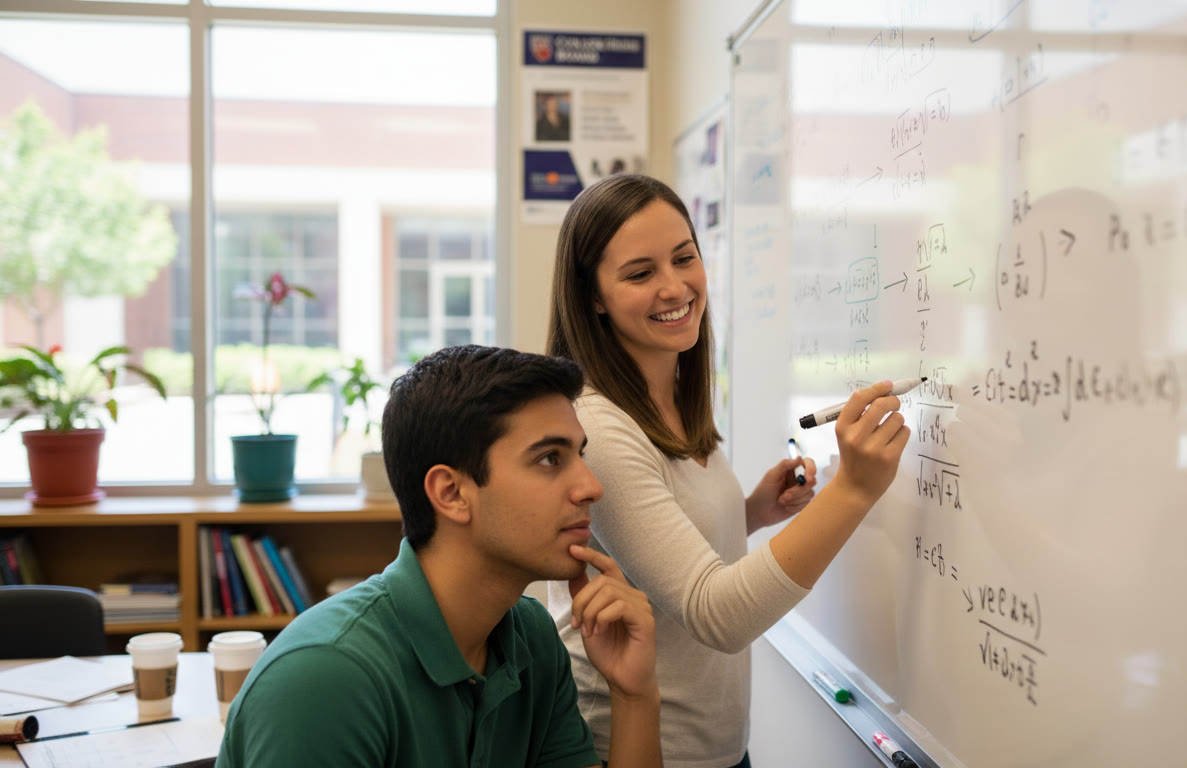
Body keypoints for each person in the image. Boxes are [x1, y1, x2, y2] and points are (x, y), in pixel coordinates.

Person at [546, 173, 911, 768]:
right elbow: (715, 613)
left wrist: (750, 514)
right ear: (593, 297)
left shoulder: (671, 392)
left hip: (715, 746)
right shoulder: (598, 429)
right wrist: (853, 489)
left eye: (683, 258)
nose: (675, 287)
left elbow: (653, 553)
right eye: (639, 274)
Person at [216, 345, 662, 768]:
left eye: (578, 455)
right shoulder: (324, 678)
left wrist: (634, 695)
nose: (591, 487)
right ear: (451, 493)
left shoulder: (531, 637)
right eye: (549, 459)